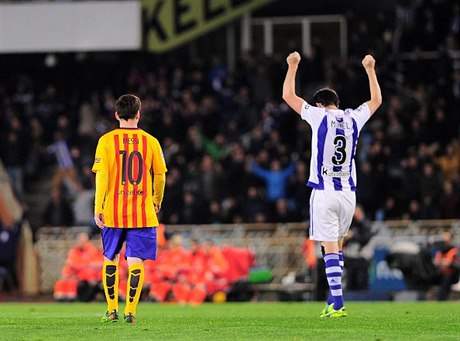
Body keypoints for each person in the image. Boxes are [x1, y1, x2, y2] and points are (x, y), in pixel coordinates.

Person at [282, 52, 382, 317]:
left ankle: (337, 303)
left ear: (320, 104)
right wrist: (370, 69)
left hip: (325, 192)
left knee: (329, 246)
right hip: (348, 194)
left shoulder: (318, 116)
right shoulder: (353, 118)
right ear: (337, 103)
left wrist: (292, 66)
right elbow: (376, 100)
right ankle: (333, 300)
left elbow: (289, 97)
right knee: (336, 244)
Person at [92, 94, 167, 323]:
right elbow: (160, 176)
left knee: (110, 259)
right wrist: (157, 200)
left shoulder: (106, 141)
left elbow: (102, 177)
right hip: (142, 213)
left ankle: (112, 309)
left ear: (116, 114)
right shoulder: (151, 141)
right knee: (135, 262)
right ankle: (131, 311)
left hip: (113, 212)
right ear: (138, 114)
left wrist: (98, 207)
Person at [433, 232, 460, 301]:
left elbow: (453, 263)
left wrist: (448, 262)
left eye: (446, 236)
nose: (444, 238)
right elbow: (436, 261)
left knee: (445, 288)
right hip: (440, 273)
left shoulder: (454, 250)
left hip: (451, 273)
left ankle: (442, 300)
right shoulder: (440, 249)